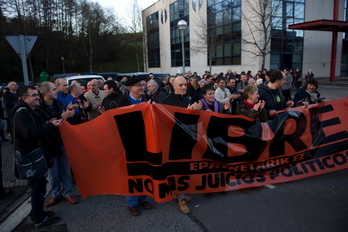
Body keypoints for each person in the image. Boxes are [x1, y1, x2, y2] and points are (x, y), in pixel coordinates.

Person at [14, 85, 62, 228]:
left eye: (37, 94)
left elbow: (33, 129)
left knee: (38, 187)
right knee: (38, 188)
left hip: (34, 154)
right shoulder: (22, 112)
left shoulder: (28, 110)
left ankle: (37, 213)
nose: (37, 97)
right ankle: (40, 219)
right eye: (34, 95)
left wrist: (47, 124)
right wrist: (50, 126)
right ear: (24, 98)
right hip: (31, 156)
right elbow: (31, 134)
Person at [36, 82, 78, 208]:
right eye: (54, 89)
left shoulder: (59, 103)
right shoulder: (38, 108)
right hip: (48, 144)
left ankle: (67, 193)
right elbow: (42, 127)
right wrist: (62, 117)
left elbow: (63, 121)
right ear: (46, 92)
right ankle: (56, 194)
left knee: (65, 170)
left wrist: (69, 113)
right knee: (53, 173)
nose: (57, 91)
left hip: (62, 140)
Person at [115, 75, 152, 216]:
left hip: (146, 141)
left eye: (144, 85)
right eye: (139, 85)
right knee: (132, 173)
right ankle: (132, 203)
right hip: (129, 143)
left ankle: (143, 198)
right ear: (131, 87)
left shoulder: (147, 99)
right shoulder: (122, 102)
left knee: (145, 170)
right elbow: (120, 123)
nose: (143, 87)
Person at [163, 76, 200, 214]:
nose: (184, 87)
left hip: (188, 138)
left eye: (185, 84)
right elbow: (169, 122)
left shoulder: (188, 97)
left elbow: (192, 118)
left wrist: (197, 110)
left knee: (184, 168)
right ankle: (181, 198)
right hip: (174, 141)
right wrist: (188, 111)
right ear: (173, 86)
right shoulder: (168, 101)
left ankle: (178, 193)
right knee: (178, 169)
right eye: (180, 85)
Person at [236, 85, 267, 194]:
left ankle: (253, 182)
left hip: (257, 136)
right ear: (250, 95)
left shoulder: (258, 104)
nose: (258, 95)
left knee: (255, 161)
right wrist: (254, 111)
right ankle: (243, 184)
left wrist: (262, 109)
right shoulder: (240, 107)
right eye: (256, 93)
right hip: (245, 138)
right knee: (245, 162)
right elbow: (244, 122)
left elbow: (264, 119)